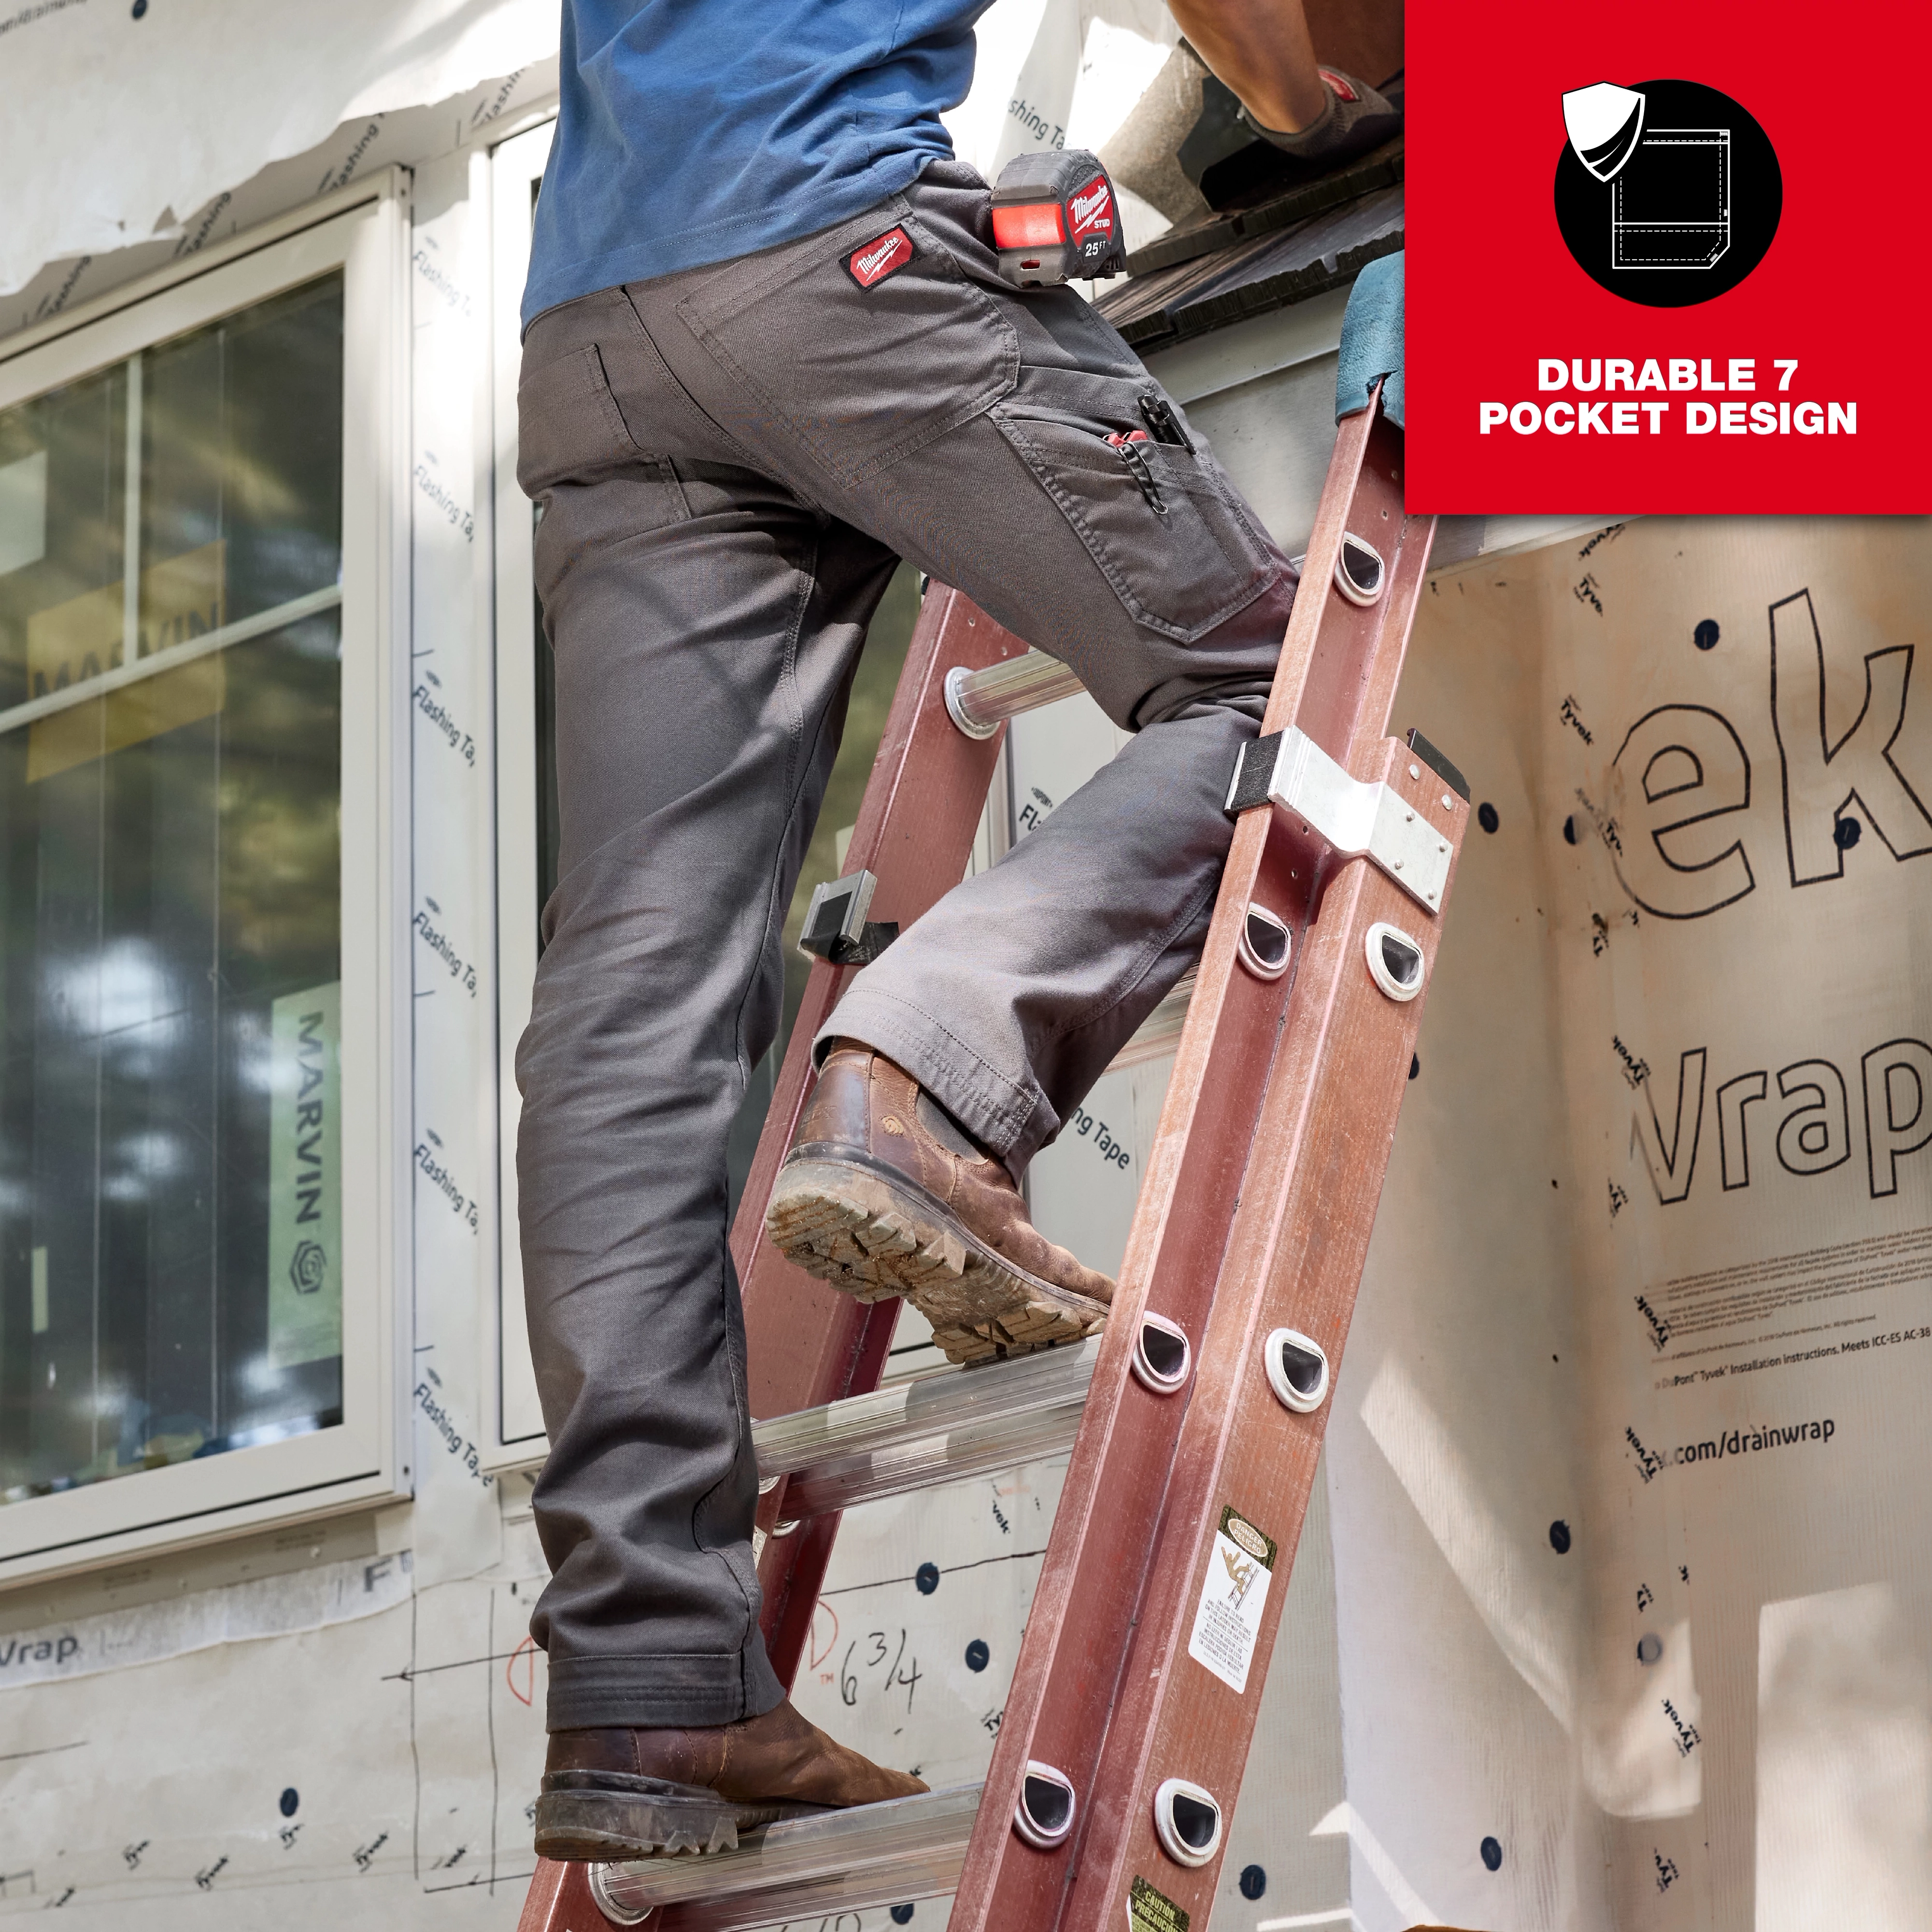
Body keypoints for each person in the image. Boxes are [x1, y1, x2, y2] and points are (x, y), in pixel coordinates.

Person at [517, 0, 1401, 1862]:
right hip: (829, 253)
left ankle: (650, 1678)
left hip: (597, 338)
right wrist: (1358, 87)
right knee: (1275, 680)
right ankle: (923, 1074)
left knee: (626, 1014)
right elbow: (1259, 46)